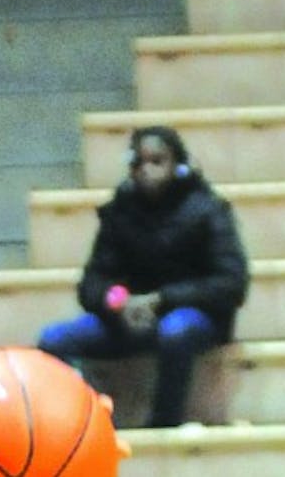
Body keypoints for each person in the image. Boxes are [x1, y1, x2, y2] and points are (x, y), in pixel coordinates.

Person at [36, 125, 249, 428]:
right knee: (54, 339)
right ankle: (82, 423)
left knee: (175, 331)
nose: (146, 170)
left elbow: (231, 283)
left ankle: (163, 425)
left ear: (177, 165)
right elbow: (92, 283)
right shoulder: (120, 211)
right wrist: (118, 302)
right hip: (128, 318)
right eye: (138, 162)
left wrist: (162, 300)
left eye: (157, 161)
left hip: (193, 318)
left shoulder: (208, 210)